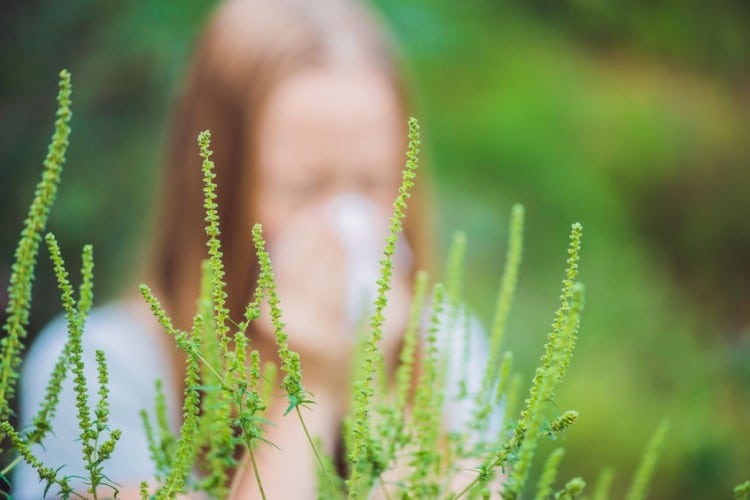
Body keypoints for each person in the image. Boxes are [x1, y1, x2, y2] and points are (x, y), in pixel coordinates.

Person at [15, 0, 495, 497]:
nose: (344, 224)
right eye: (303, 187)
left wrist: (384, 384)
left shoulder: (451, 351)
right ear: (216, 190)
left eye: (372, 183)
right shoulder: (100, 373)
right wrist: (305, 390)